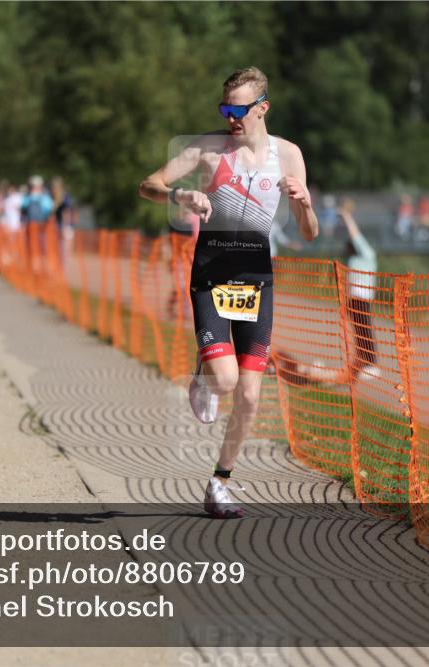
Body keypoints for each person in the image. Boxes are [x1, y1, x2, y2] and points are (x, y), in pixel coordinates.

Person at [139, 66, 318, 519]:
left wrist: (303, 204)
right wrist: (180, 197)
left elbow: (310, 233)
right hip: (213, 272)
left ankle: (220, 484)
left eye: (239, 109)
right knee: (225, 381)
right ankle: (205, 371)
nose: (231, 118)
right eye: (225, 109)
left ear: (263, 108)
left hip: (258, 278)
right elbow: (148, 185)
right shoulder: (208, 147)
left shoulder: (289, 155)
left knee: (252, 396)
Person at [338, 198, 379, 381]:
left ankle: (371, 364)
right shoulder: (355, 260)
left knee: (365, 331)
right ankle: (363, 362)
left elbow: (355, 235)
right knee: (359, 332)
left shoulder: (366, 254)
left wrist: (346, 216)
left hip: (362, 298)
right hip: (354, 299)